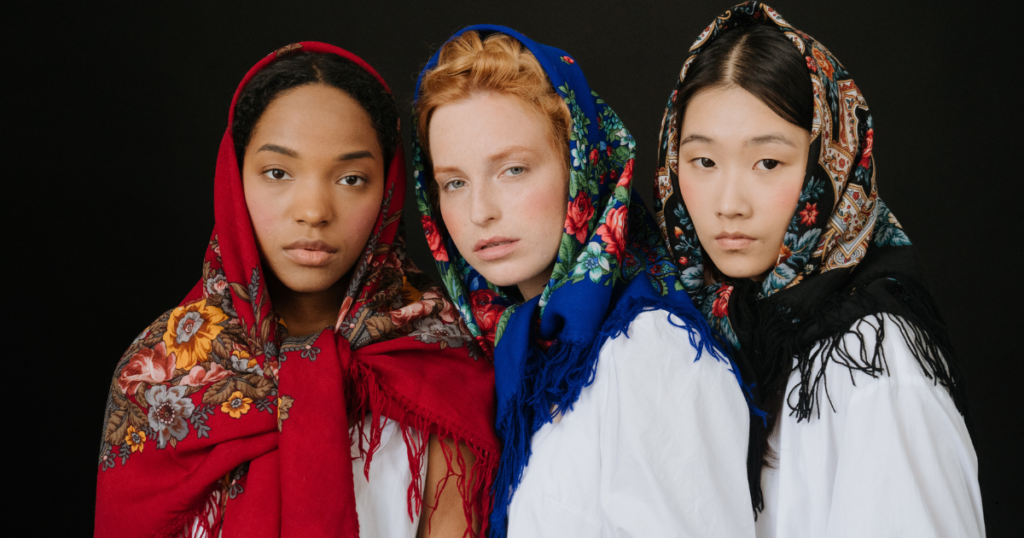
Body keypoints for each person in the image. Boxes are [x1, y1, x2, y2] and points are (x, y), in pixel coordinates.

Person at [95, 42, 499, 538]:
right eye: (278, 173)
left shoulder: (435, 353)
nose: (313, 210)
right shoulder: (159, 372)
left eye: (352, 178)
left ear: (387, 187)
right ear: (235, 178)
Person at [653, 3, 985, 536]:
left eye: (768, 162)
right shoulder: (716, 329)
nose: (729, 203)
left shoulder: (874, 366)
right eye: (704, 162)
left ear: (831, 164)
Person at [413, 26, 756, 537]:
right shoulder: (521, 353)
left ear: (582, 168)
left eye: (513, 170)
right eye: (455, 183)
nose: (480, 211)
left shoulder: (649, 351)